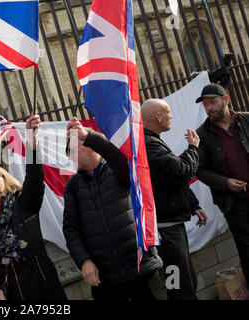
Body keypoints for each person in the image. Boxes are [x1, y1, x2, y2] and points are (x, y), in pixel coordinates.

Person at [0, 114, 67, 301]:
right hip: (9, 293)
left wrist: (31, 145)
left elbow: (35, 178)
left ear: (5, 180)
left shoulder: (24, 203)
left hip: (43, 287)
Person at [63, 117, 163, 301]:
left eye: (72, 149)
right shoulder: (72, 187)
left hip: (143, 270)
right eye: (68, 151)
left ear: (89, 146)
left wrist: (90, 136)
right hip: (107, 281)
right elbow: (71, 230)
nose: (70, 155)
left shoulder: (118, 169)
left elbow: (122, 162)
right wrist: (84, 261)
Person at [141, 98, 208, 300]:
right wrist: (193, 148)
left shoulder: (152, 141)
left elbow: (170, 180)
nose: (171, 116)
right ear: (158, 117)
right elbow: (181, 171)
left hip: (171, 226)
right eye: (168, 112)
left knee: (184, 280)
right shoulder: (149, 144)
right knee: (178, 285)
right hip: (166, 232)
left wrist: (193, 204)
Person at [195, 83, 249, 282]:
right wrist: (225, 182)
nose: (209, 108)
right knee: (246, 251)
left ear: (226, 100)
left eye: (213, 102)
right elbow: (200, 170)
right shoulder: (201, 135)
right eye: (206, 104)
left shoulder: (246, 120)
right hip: (235, 204)